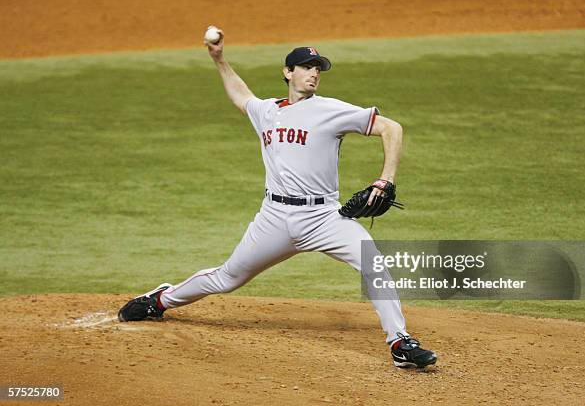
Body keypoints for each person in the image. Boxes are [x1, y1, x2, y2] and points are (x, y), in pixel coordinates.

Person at [118, 28, 437, 369]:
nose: (314, 72)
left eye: (318, 67)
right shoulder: (268, 111)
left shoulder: (331, 110)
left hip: (324, 218)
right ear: (288, 72)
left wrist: (384, 179)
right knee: (228, 278)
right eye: (306, 66)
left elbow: (392, 128)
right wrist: (219, 59)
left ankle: (400, 342)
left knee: (373, 263)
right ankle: (161, 300)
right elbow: (243, 98)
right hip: (274, 218)